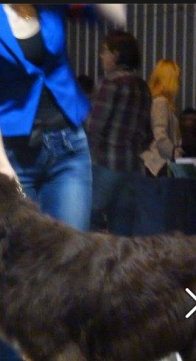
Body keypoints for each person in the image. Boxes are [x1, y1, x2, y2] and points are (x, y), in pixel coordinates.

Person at [0, 3, 127, 361]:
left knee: (73, 275)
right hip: (11, 154)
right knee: (6, 277)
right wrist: (1, 168)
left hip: (67, 149)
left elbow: (116, 14)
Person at [87, 31, 154, 235]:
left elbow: (94, 126)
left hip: (106, 164)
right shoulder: (143, 87)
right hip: (133, 167)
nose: (102, 56)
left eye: (105, 52)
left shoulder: (109, 83)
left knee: (84, 221)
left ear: (116, 55)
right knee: (123, 232)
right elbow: (147, 134)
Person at [141, 59, 182, 177]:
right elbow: (160, 136)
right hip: (159, 164)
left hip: (155, 163)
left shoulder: (154, 100)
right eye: (177, 78)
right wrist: (174, 153)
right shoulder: (161, 102)